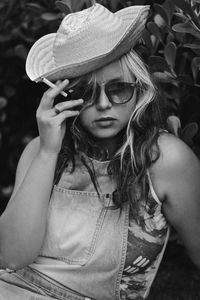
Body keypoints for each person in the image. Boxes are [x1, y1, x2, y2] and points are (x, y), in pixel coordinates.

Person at [0, 3, 200, 300]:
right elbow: (12, 257)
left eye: (119, 88)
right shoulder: (42, 150)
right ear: (64, 98)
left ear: (140, 89)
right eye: (86, 93)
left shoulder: (166, 159)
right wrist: (47, 152)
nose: (104, 104)